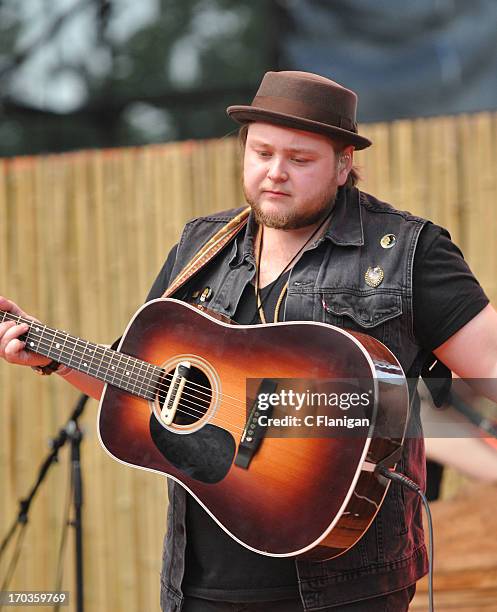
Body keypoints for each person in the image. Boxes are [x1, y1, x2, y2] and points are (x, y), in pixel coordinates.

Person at [1, 70, 496, 611]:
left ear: (343, 165)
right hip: (200, 583)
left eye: (299, 159)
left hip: (346, 584)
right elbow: (146, 387)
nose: (275, 173)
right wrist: (51, 355)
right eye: (261, 153)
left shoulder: (404, 251)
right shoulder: (201, 247)